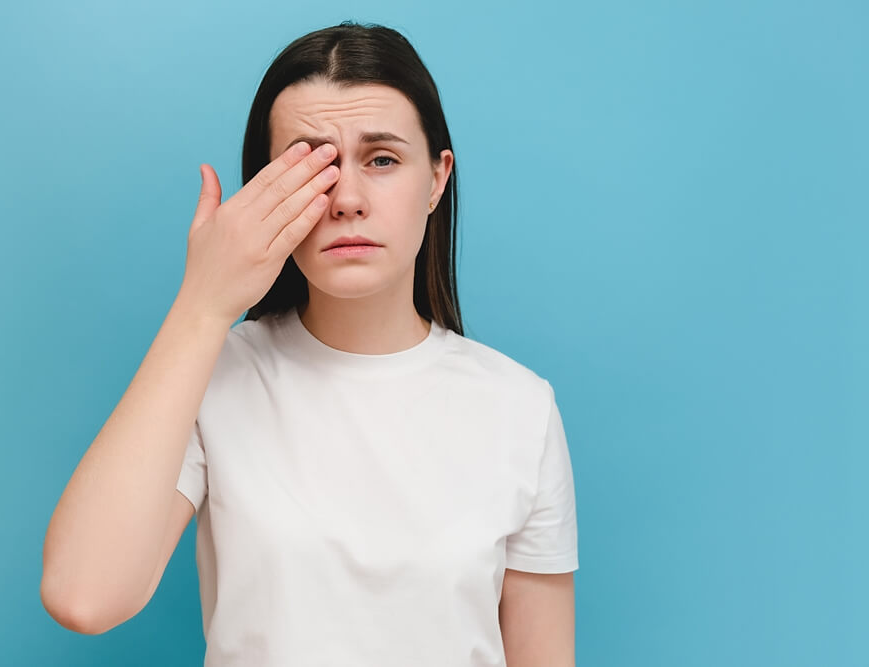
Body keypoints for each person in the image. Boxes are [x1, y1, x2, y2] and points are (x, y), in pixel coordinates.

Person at [41, 20, 578, 667]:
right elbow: (83, 594)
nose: (347, 198)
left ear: (437, 178)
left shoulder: (520, 409)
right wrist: (202, 303)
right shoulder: (215, 374)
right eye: (313, 164)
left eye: (381, 159)